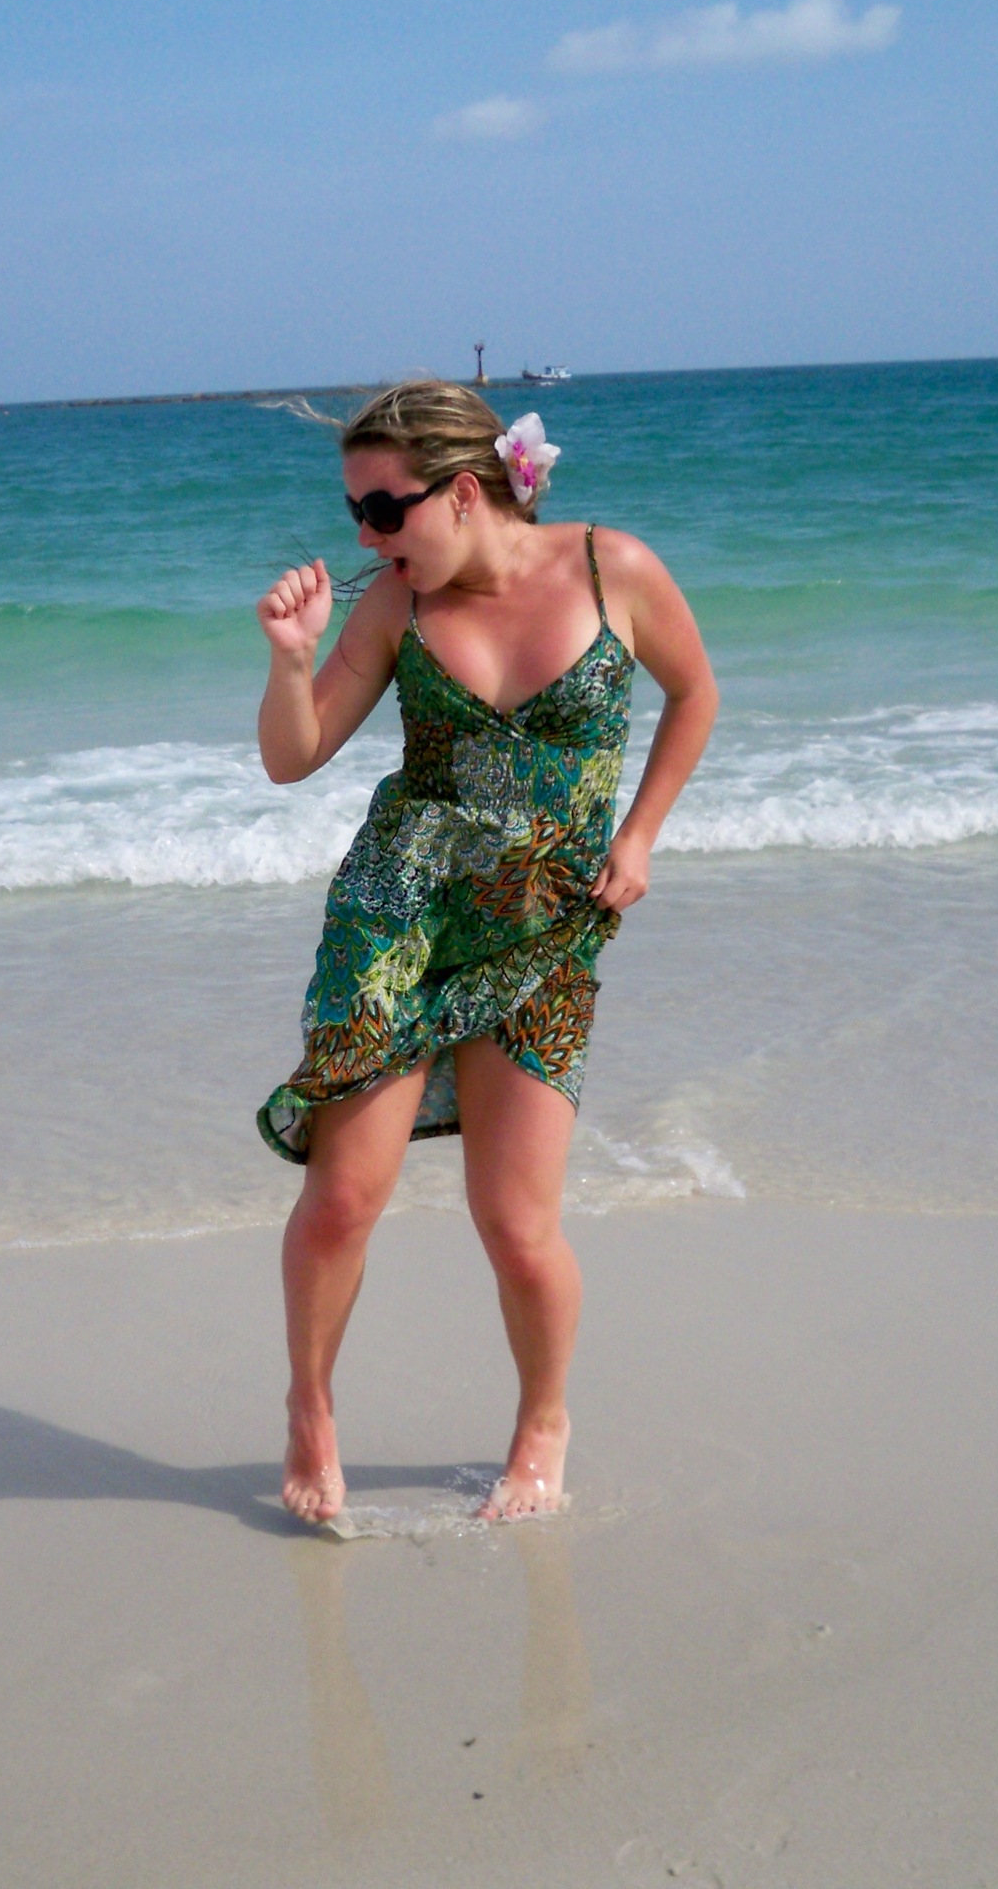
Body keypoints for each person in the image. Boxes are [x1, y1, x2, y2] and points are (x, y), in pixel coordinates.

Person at [253, 379, 719, 1524]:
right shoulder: (393, 606)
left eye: (384, 509)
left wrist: (639, 836)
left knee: (516, 1227)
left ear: (465, 492)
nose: (368, 536)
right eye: (355, 512)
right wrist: (289, 658)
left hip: (544, 926)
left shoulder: (614, 569)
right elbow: (292, 757)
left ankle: (542, 1424)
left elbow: (694, 692)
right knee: (340, 1200)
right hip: (398, 918)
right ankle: (309, 1408)